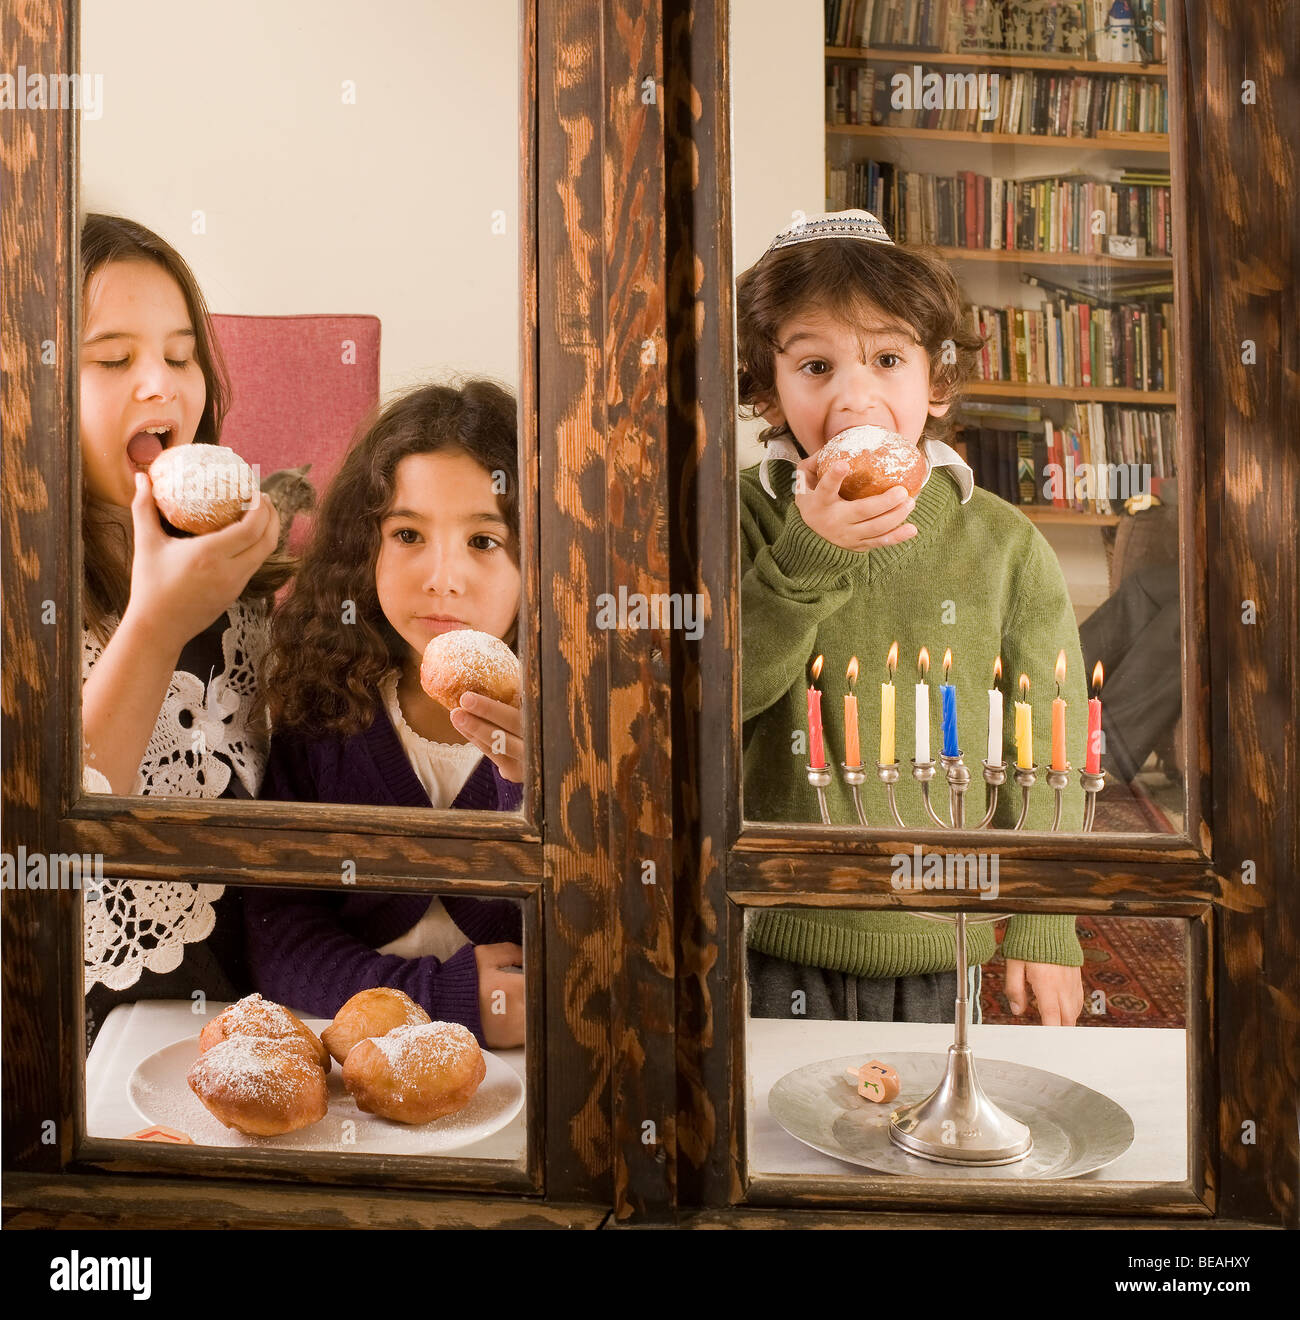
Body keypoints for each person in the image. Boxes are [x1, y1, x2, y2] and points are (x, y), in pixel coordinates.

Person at [738, 210, 1088, 1026]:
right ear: (768, 389)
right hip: (770, 920)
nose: (854, 395)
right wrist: (804, 555)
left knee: (921, 1135)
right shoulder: (743, 521)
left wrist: (1044, 914)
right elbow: (715, 702)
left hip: (940, 928)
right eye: (816, 365)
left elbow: (1054, 736)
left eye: (888, 359)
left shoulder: (1004, 543)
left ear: (937, 383)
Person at [245, 381, 526, 1048]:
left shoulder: (586, 722)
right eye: (407, 534)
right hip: (347, 1046)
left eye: (484, 541)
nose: (442, 578)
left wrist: (528, 782)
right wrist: (440, 999)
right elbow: (277, 936)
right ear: (363, 548)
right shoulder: (322, 712)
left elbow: (600, 932)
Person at [78, 214, 286, 1037]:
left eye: (179, 353)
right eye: (114, 359)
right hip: (75, 1047)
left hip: (243, 1020)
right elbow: (49, 837)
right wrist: (156, 625)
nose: (161, 385)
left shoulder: (239, 582)